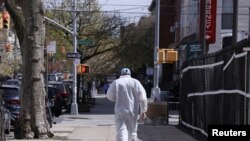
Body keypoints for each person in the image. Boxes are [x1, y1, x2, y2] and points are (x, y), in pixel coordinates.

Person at [106, 68, 148, 141]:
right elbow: (143, 98)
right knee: (132, 131)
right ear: (130, 74)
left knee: (121, 131)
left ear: (121, 74)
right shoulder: (136, 82)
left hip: (120, 110)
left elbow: (109, 95)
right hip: (133, 111)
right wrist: (143, 111)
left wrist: (115, 99)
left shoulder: (116, 82)